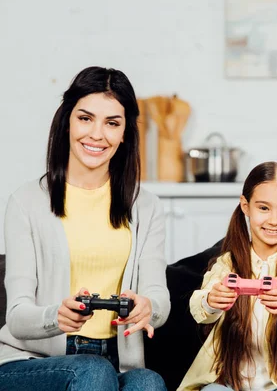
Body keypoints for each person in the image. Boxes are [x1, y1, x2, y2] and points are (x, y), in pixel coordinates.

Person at [0, 67, 170, 390]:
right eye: (85, 118)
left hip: (115, 361)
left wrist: (150, 307)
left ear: (124, 134)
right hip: (31, 362)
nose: (96, 134)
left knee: (148, 383)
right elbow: (17, 316)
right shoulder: (25, 202)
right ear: (67, 122)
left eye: (112, 123)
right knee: (92, 372)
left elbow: (158, 296)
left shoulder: (146, 207)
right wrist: (55, 316)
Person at [178, 161, 277, 391]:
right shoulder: (227, 264)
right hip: (227, 382)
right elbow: (198, 309)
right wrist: (212, 301)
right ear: (245, 206)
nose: (274, 220)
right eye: (263, 208)